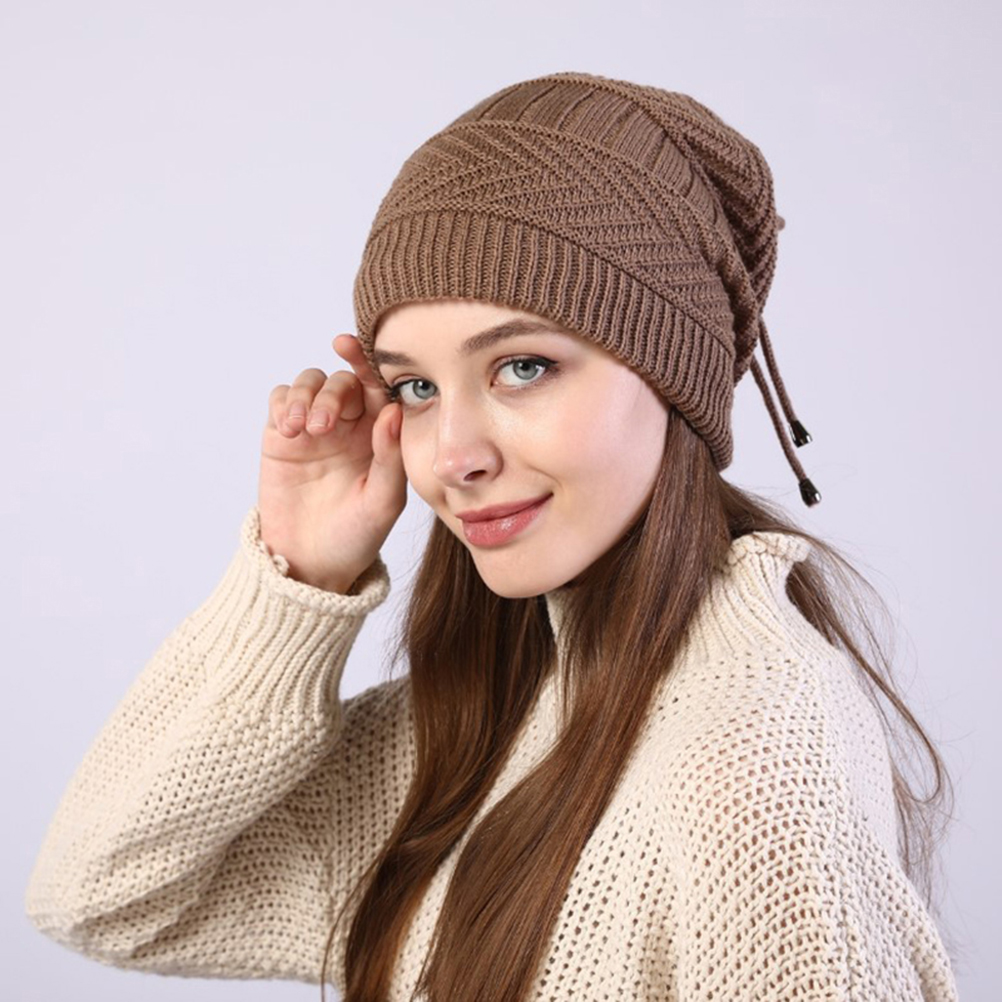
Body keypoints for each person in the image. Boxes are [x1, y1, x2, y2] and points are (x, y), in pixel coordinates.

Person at [24, 71, 962, 1002]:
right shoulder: (487, 722)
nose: (452, 456)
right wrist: (296, 577)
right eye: (417, 388)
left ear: (674, 376)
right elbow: (101, 898)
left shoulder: (754, 754)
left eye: (522, 368)